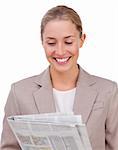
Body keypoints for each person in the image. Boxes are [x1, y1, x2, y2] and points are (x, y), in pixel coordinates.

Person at [0, 5, 118, 150]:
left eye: (68, 42)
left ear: (82, 40)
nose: (60, 51)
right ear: (42, 42)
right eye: (51, 43)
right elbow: (9, 147)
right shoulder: (19, 92)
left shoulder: (108, 91)